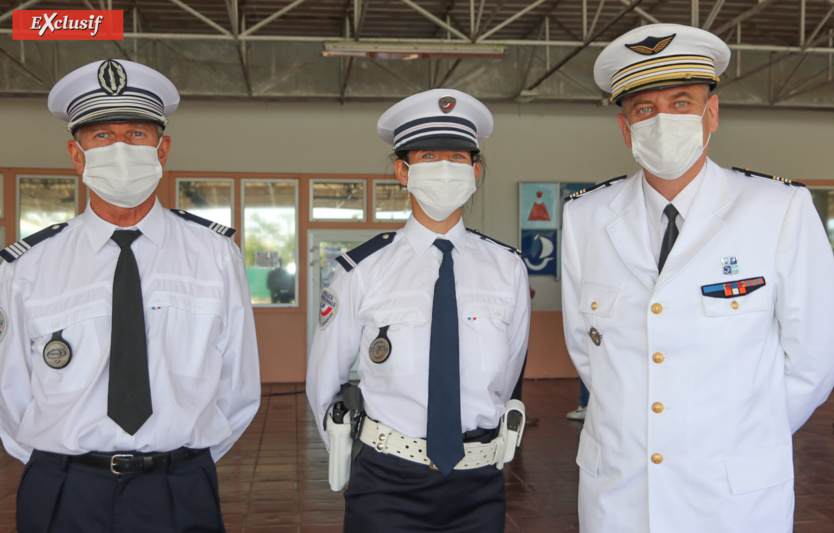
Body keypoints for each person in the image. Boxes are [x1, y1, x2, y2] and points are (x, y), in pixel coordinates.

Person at [561, 24, 834, 532]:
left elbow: (813, 360)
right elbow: (588, 350)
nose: (664, 119)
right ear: (626, 129)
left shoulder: (779, 209)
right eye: (645, 109)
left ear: (711, 113)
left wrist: (739, 437)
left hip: (733, 496)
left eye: (681, 102)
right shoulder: (587, 217)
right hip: (620, 492)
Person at [0, 59, 261, 532]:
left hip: (179, 488)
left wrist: (178, 457)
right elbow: (10, 394)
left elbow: (238, 387)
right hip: (63, 491)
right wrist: (66, 459)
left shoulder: (215, 254)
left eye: (137, 135)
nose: (121, 148)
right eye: (102, 137)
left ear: (163, 149)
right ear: (77, 155)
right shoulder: (27, 266)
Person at [306, 88, 531, 533]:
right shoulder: (362, 270)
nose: (444, 169)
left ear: (476, 170)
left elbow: (507, 378)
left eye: (457, 157)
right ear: (402, 171)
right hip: (387, 482)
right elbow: (324, 382)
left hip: (479, 483)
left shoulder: (507, 269)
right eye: (428, 156)